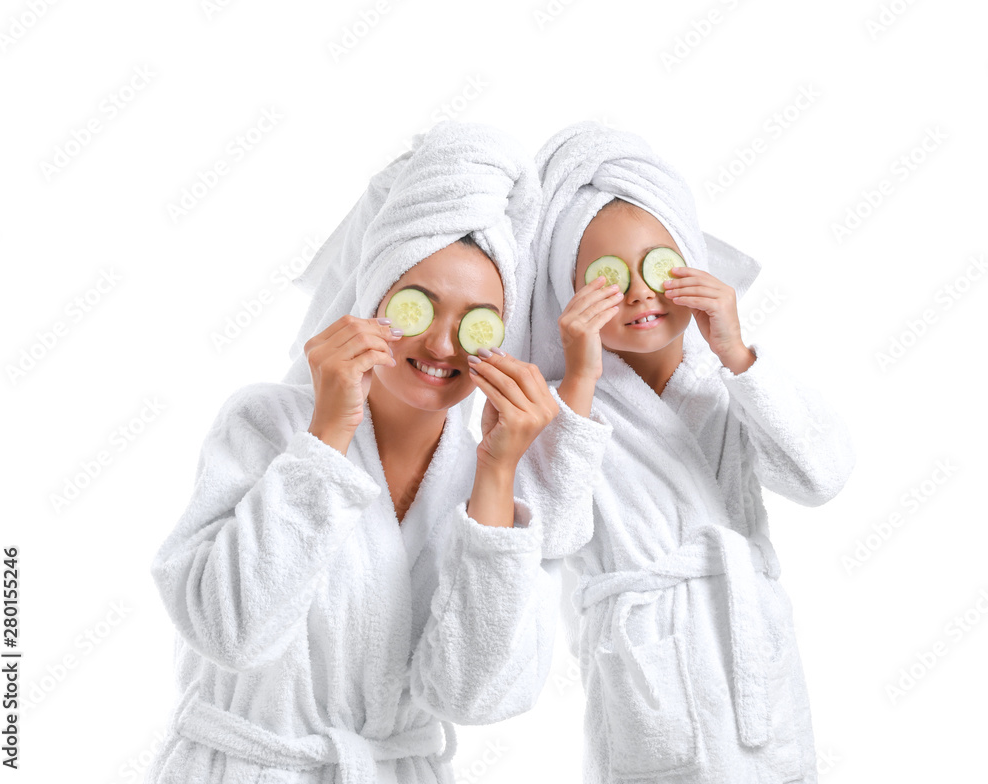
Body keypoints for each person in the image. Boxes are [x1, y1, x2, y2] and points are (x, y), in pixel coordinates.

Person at [146, 121, 610, 784]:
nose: (445, 345)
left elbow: (475, 697)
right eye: (420, 307)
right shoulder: (265, 424)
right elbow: (234, 634)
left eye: (476, 319)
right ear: (372, 299)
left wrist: (499, 472)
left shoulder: (490, 472)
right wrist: (327, 438)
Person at [528, 121, 855, 783]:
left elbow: (820, 477)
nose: (641, 292)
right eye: (605, 278)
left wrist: (739, 355)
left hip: (756, 667)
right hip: (648, 684)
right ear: (569, 293)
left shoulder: (728, 380)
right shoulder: (563, 407)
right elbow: (550, 537)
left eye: (658, 265)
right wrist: (582, 381)